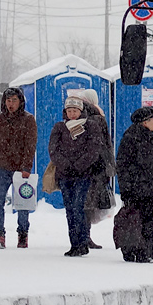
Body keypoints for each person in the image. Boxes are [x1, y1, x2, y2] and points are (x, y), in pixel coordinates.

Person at [48, 95, 106, 256]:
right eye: (69, 110)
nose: (72, 114)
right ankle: (74, 244)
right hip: (65, 174)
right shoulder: (60, 127)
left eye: (75, 110)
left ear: (80, 111)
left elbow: (93, 149)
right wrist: (66, 164)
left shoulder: (91, 126)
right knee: (70, 210)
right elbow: (53, 149)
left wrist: (79, 165)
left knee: (78, 207)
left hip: (83, 174)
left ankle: (82, 242)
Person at [116, 107, 153, 263]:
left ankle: (145, 252)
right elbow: (123, 166)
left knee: (149, 222)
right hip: (137, 188)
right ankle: (134, 251)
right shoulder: (130, 138)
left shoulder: (152, 139)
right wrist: (126, 189)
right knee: (135, 221)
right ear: (145, 122)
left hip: (151, 188)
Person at [0, 87, 38, 249]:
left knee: (22, 202)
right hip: (2, 167)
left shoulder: (28, 120)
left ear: (20, 102)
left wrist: (26, 166)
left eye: (14, 100)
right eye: (8, 101)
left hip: (20, 169)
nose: (11, 104)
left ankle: (23, 234)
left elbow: (30, 145)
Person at [78, 89, 115, 249]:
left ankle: (81, 235)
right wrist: (108, 164)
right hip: (96, 166)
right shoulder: (97, 116)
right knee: (89, 203)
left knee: (83, 202)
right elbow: (104, 143)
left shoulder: (81, 115)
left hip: (83, 165)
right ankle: (85, 236)